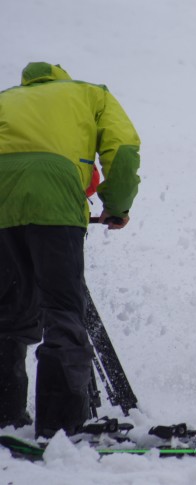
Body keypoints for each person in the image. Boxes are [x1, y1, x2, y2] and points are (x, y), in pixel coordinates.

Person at [0, 62, 141, 438]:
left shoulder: (5, 100)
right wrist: (117, 206)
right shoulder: (91, 93)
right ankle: (61, 423)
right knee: (63, 312)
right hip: (55, 204)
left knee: (7, 317)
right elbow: (124, 152)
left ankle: (4, 414)